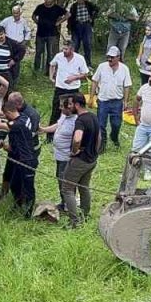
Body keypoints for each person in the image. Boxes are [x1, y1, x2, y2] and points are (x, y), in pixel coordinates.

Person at [59, 95, 99, 228]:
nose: (70, 107)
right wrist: (94, 151)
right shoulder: (93, 116)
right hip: (92, 159)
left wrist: (75, 151)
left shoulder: (80, 120)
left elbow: (77, 139)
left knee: (67, 189)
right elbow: (99, 137)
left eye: (71, 105)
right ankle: (85, 214)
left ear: (76, 105)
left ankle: (74, 222)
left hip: (80, 161)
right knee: (84, 186)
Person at [0, 93, 40, 216]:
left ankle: (28, 212)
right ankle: (18, 204)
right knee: (15, 183)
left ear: (9, 112)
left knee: (28, 187)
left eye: (6, 114)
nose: (5, 116)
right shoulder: (23, 116)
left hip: (27, 160)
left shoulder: (17, 124)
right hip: (19, 158)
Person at [39, 96, 78, 213]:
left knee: (66, 183)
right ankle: (64, 202)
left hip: (67, 157)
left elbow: (78, 140)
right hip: (59, 156)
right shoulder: (64, 116)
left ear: (69, 107)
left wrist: (73, 153)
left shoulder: (76, 121)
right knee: (60, 179)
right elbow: (57, 125)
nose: (60, 109)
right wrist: (44, 129)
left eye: (62, 106)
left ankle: (69, 206)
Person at [91, 45, 132, 151]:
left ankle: (114, 137)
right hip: (103, 101)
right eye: (108, 57)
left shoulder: (124, 69)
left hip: (117, 102)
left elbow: (127, 86)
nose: (110, 59)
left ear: (118, 57)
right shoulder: (102, 67)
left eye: (112, 57)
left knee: (116, 124)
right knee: (100, 125)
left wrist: (126, 101)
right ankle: (101, 146)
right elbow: (95, 81)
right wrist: (91, 97)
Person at [48, 39, 88, 126]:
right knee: (56, 111)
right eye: (63, 49)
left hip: (73, 89)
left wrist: (74, 78)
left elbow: (85, 74)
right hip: (60, 88)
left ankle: (73, 130)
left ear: (72, 49)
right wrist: (51, 77)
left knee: (73, 111)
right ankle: (50, 135)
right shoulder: (59, 56)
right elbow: (52, 64)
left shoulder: (80, 59)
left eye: (66, 49)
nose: (64, 51)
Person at [32, 0, 67, 72]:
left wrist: (59, 22)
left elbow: (68, 14)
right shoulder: (40, 7)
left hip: (52, 34)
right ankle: (36, 70)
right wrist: (38, 22)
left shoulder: (57, 8)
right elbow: (33, 16)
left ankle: (49, 71)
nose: (48, 1)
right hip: (40, 34)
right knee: (38, 52)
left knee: (50, 54)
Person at [68, 0, 97, 64]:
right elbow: (70, 18)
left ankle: (87, 63)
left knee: (87, 44)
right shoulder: (74, 6)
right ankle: (74, 63)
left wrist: (92, 18)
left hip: (86, 25)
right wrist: (69, 28)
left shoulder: (89, 4)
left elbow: (96, 10)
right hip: (77, 26)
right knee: (75, 45)